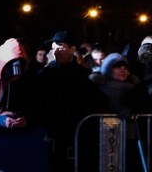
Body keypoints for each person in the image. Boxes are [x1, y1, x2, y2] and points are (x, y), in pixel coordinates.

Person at [35, 30, 105, 172]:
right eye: (54, 47)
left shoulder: (84, 76)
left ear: (73, 49)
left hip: (77, 135)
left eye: (60, 47)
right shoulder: (44, 75)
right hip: (51, 136)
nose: (56, 51)